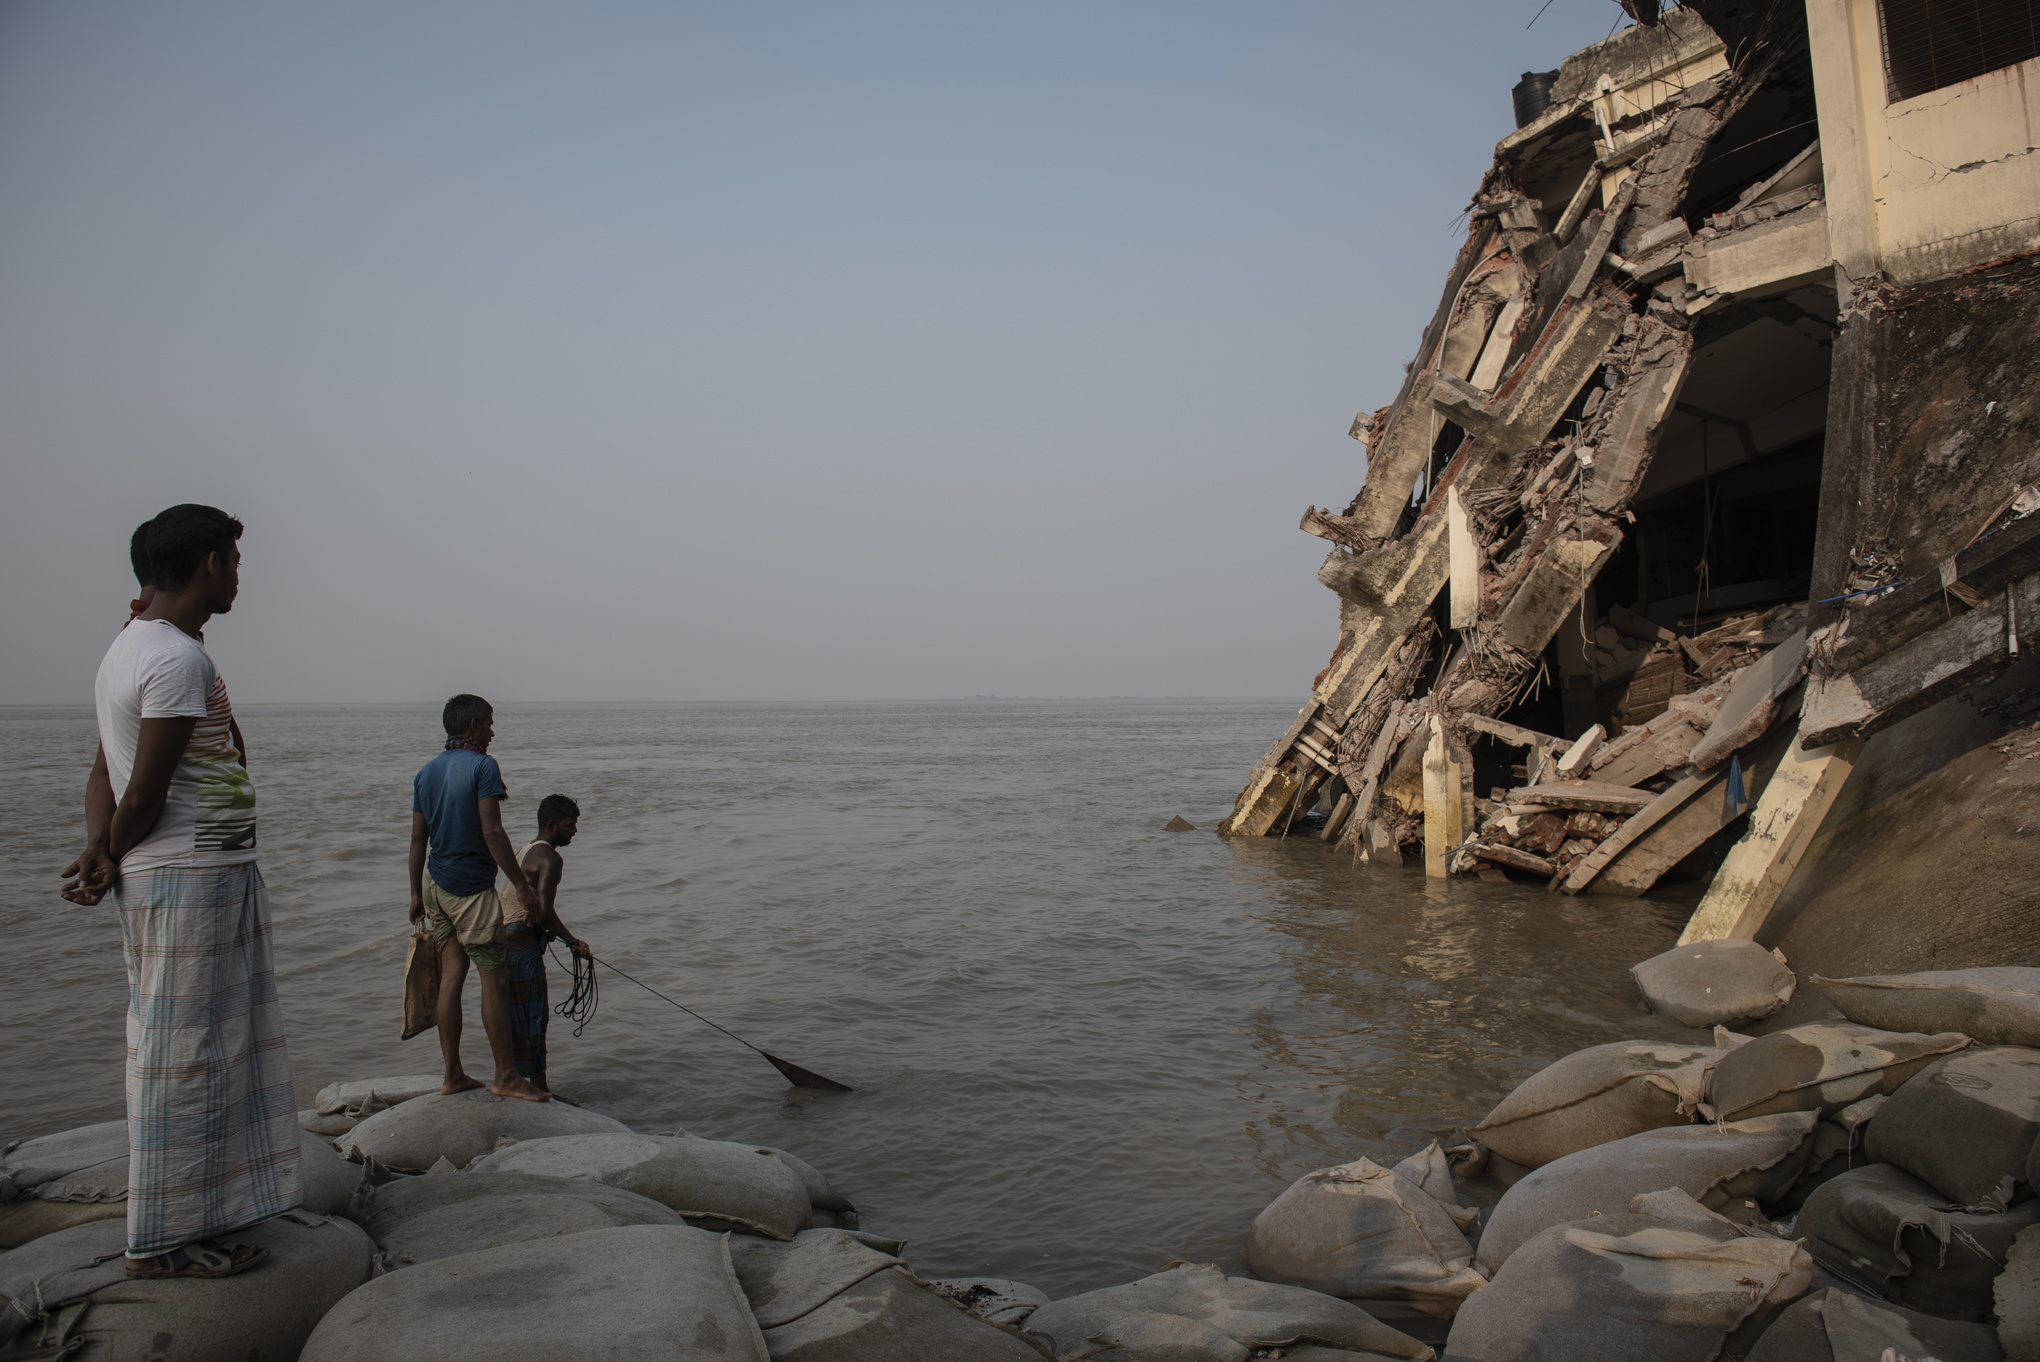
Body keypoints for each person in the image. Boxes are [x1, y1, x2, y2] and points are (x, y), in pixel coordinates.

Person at [61, 504, 299, 1280]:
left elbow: (106, 773)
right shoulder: (172, 660)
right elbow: (145, 792)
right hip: (188, 878)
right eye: (233, 558)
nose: (239, 573)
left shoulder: (135, 649)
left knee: (194, 1049)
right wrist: (110, 850)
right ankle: (164, 1241)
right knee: (189, 1056)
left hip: (186, 875)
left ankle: (198, 1211)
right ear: (209, 564)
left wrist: (101, 849)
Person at [409, 695, 548, 1102]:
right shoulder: (483, 766)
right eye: (489, 723)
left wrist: (414, 893)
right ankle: (506, 1076)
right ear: (472, 725)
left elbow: (419, 838)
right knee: (495, 978)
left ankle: (452, 1074)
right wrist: (521, 885)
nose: (492, 731)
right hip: (470, 888)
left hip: (435, 885)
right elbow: (493, 833)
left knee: (451, 977)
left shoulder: (426, 771)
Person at [505, 795, 593, 1093]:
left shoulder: (525, 849)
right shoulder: (551, 858)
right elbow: (543, 910)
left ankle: (516, 1077)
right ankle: (539, 1087)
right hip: (520, 943)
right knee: (534, 1016)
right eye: (571, 825)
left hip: (505, 939)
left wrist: (548, 930)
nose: (574, 831)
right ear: (552, 825)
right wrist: (573, 942)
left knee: (514, 1014)